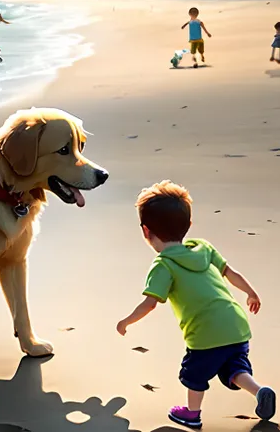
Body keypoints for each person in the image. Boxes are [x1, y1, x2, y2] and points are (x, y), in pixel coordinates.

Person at [116, 180, 276, 430]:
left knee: (194, 373)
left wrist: (126, 321)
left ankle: (192, 413)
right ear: (188, 226)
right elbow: (230, 272)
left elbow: (150, 304)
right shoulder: (203, 247)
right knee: (233, 367)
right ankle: (259, 391)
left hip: (205, 332)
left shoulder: (163, 265)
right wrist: (250, 292)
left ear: (146, 231)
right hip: (235, 323)